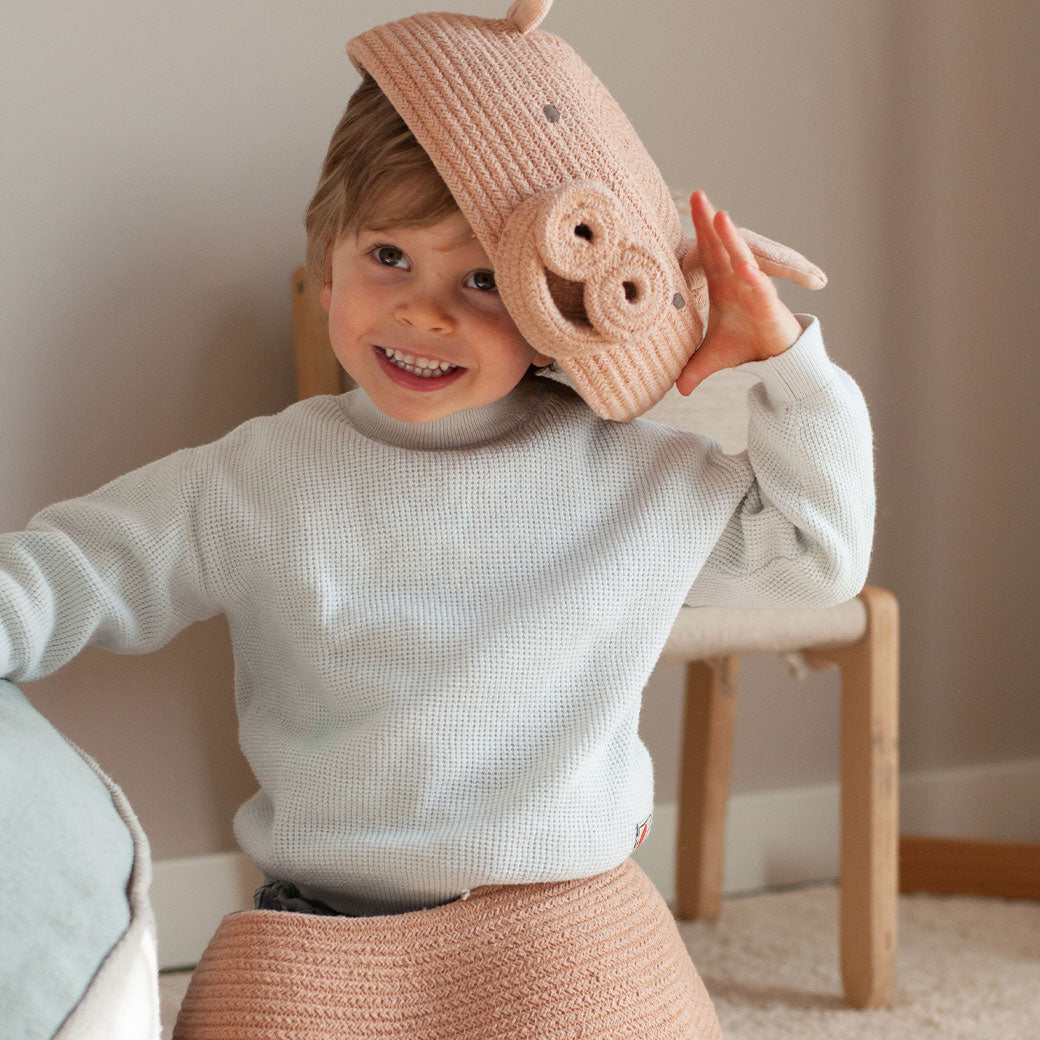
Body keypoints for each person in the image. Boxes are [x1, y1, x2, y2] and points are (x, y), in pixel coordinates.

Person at [0, 2, 873, 1037]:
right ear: (327, 260)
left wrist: (782, 365)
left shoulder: (629, 473)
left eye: (480, 281)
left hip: (566, 918)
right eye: (387, 259)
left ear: (555, 300)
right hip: (322, 929)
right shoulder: (257, 477)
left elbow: (817, 555)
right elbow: (68, 571)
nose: (423, 311)